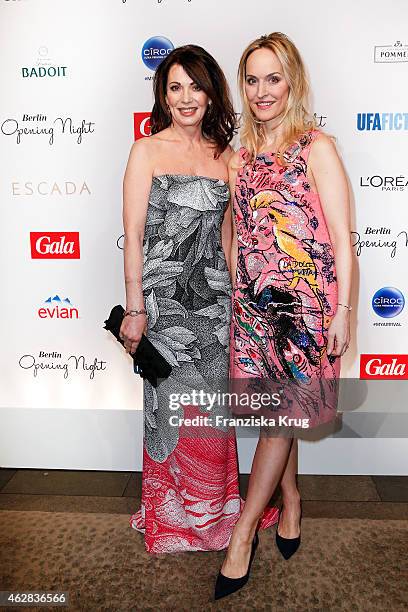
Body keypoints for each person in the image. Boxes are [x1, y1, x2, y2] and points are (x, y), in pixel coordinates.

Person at [119, 45, 278, 554]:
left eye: (196, 86)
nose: (186, 98)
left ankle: (217, 512)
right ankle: (170, 515)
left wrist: (244, 304)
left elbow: (230, 239)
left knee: (210, 415)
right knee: (168, 410)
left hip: (214, 307)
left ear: (211, 94)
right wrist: (136, 308)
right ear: (163, 97)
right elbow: (135, 234)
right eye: (175, 87)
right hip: (163, 307)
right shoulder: (145, 151)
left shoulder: (227, 157)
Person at [215, 32, 352, 599]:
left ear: (292, 81)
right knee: (278, 414)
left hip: (306, 311)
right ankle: (290, 499)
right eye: (252, 79)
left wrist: (343, 311)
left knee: (278, 419)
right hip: (254, 307)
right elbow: (236, 224)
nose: (262, 91)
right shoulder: (240, 156)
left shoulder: (315, 146)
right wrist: (235, 276)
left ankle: (244, 533)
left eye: (274, 78)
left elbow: (344, 240)